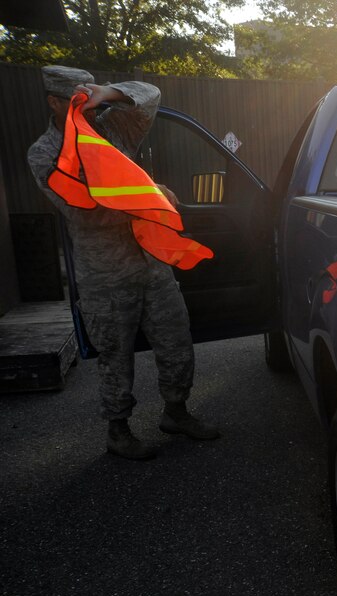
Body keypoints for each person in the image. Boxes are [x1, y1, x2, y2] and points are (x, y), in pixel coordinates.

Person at [27, 65, 219, 461]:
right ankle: (118, 430)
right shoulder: (45, 153)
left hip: (150, 263)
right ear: (53, 102)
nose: (89, 111)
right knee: (115, 356)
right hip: (105, 274)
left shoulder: (112, 129)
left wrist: (108, 92)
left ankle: (176, 412)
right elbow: (83, 212)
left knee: (177, 340)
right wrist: (152, 197)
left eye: (89, 101)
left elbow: (150, 95)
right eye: (77, 102)